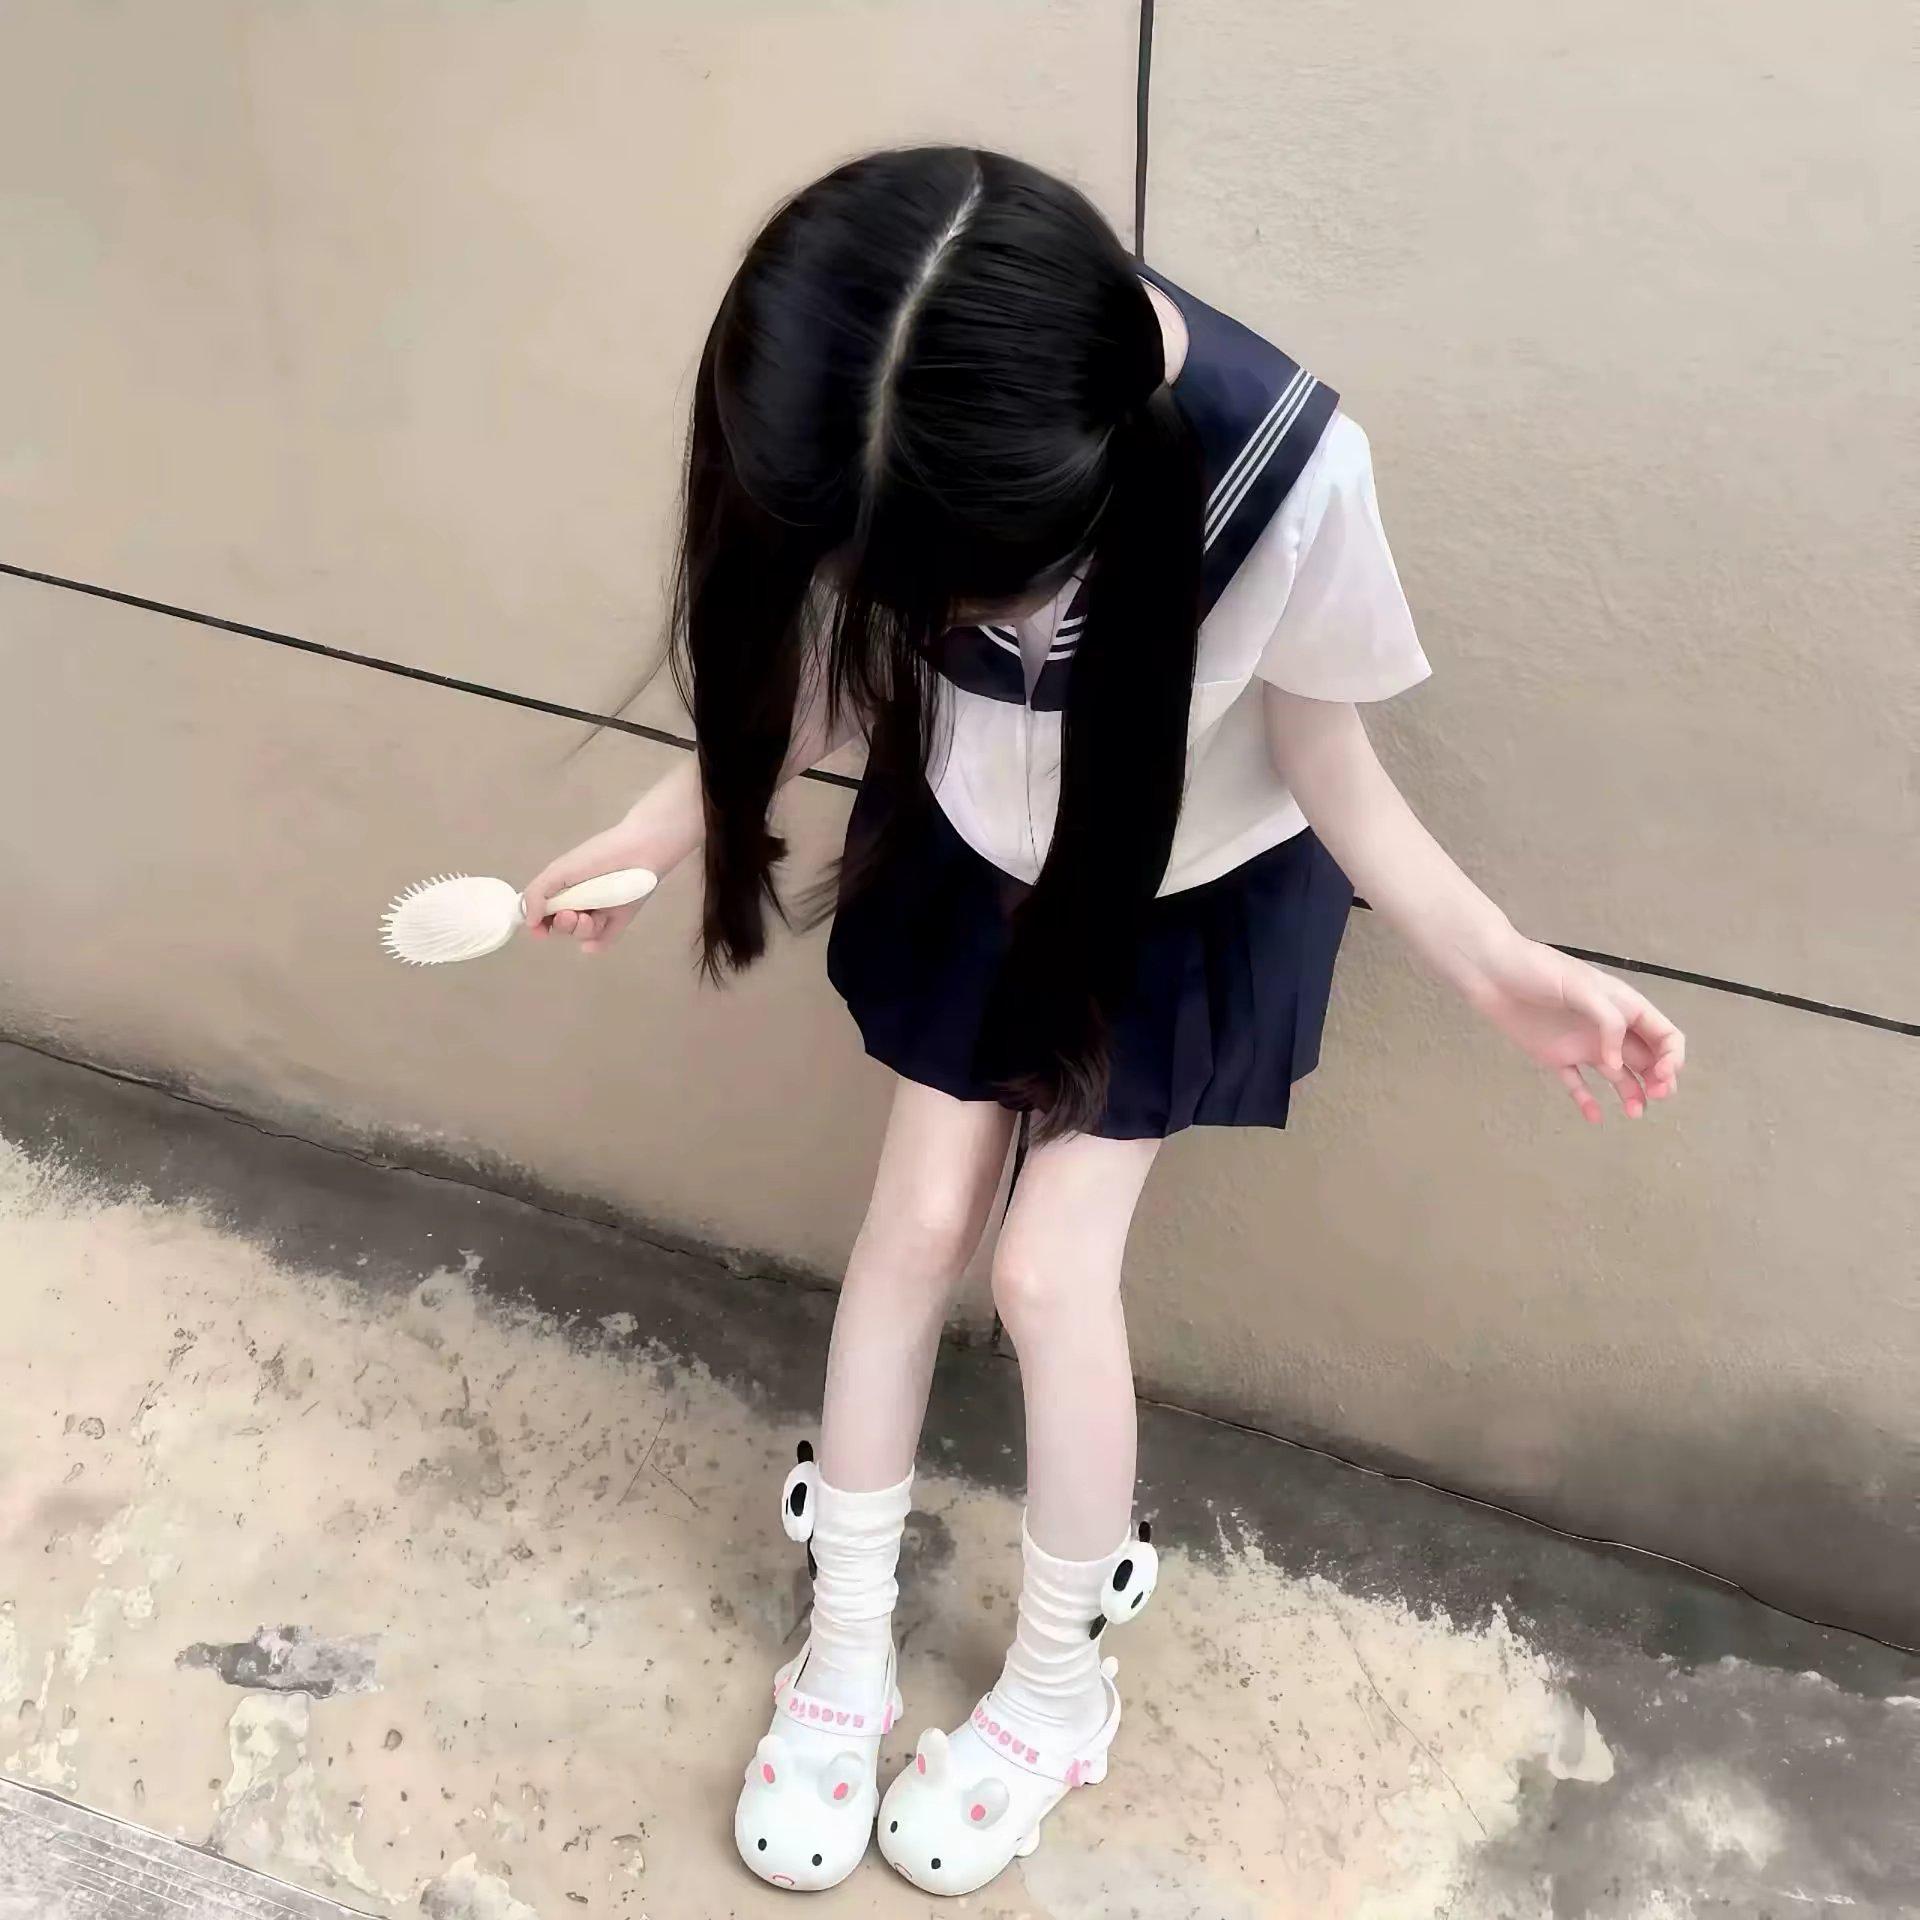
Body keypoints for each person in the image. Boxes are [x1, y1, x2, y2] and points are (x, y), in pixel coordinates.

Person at [522, 146, 1686, 1898]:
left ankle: (1060, 1689)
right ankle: (847, 1637)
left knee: (1048, 1274)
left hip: (1173, 895)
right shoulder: (883, 417)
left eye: (958, 589)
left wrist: (1494, 960)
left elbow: (1327, 756)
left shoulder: (1289, 475)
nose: (922, 619)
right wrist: (657, 825)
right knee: (914, 1224)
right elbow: (831, 677)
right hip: (973, 857)